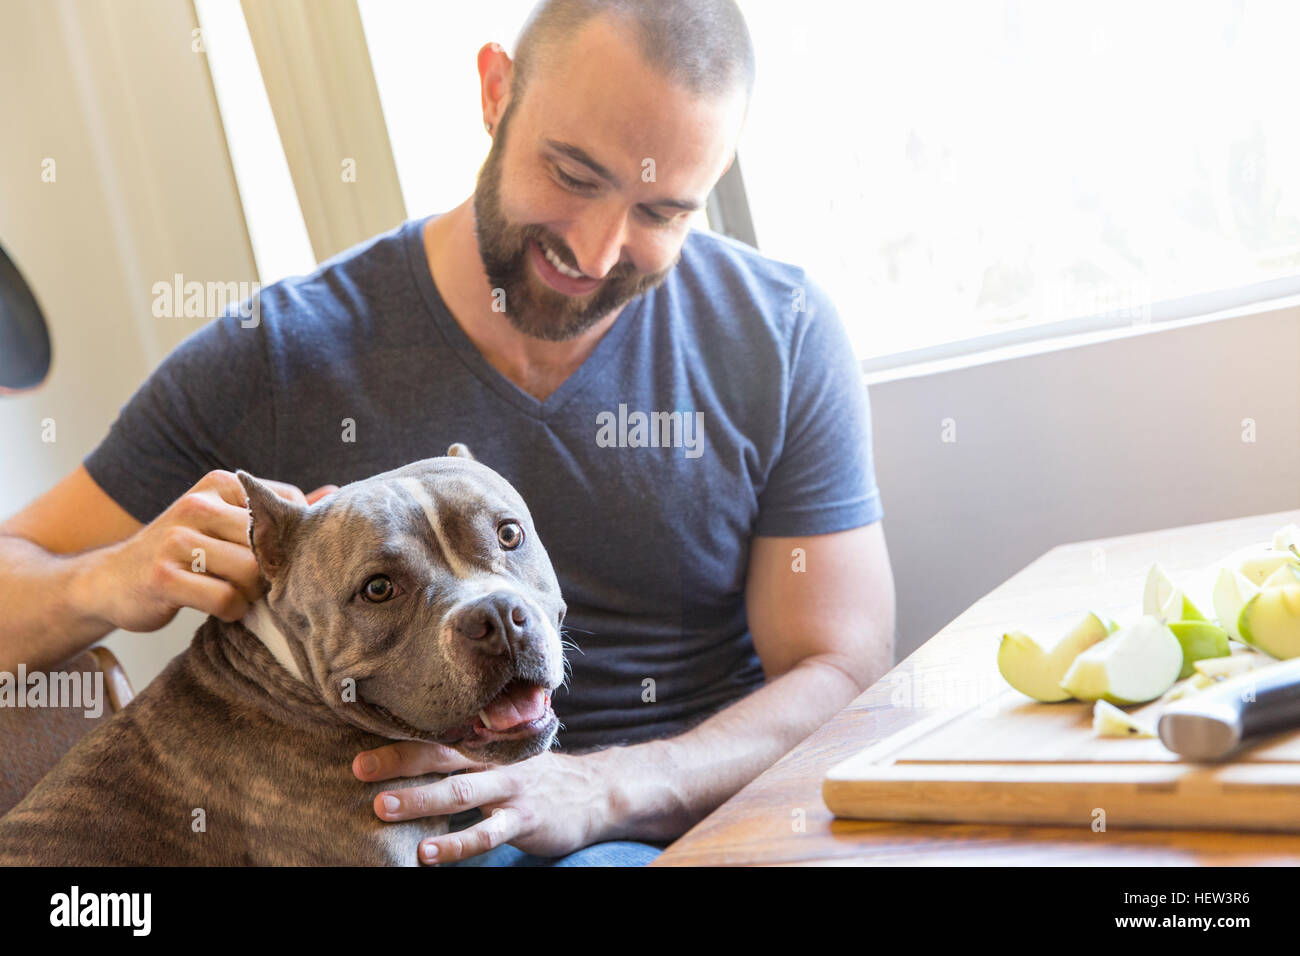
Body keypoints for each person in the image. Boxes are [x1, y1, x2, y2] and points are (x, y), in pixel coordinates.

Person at [0, 0, 896, 866]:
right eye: (573, 175)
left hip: (698, 818)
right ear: (495, 91)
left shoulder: (777, 333)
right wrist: (101, 580)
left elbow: (842, 668)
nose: (594, 250)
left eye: (661, 214)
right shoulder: (278, 355)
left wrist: (602, 789)